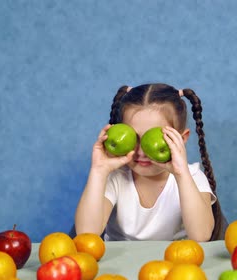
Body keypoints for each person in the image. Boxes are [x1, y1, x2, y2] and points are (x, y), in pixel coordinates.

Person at [74, 83, 226, 241]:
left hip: (176, 262)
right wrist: (98, 171)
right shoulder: (116, 178)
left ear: (181, 139)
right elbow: (87, 234)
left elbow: (201, 235)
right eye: (133, 138)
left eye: (151, 139)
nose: (141, 151)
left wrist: (181, 174)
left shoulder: (192, 177)